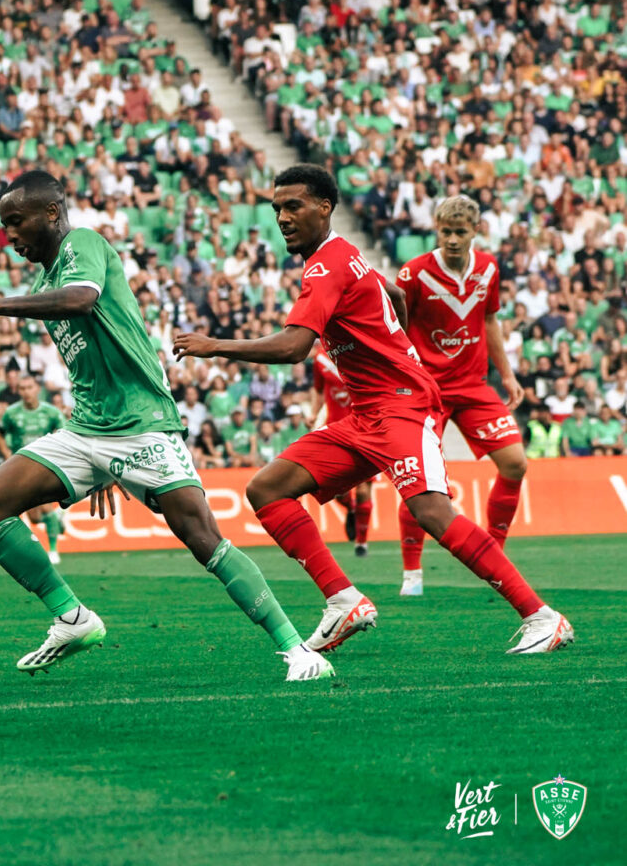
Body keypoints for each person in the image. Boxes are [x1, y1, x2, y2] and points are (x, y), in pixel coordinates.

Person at [0, 170, 333, 681]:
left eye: (16, 222)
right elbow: (87, 365)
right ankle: (72, 617)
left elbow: (81, 299)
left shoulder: (83, 245)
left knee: (201, 535)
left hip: (144, 424)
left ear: (52, 214)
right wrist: (98, 465)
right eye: (4, 225)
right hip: (87, 429)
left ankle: (298, 650)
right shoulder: (42, 284)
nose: (9, 234)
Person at [172, 164, 573, 656]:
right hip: (366, 415)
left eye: (293, 205)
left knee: (433, 512)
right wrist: (398, 341)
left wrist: (214, 345)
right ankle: (343, 600)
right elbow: (397, 294)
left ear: (324, 207)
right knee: (268, 489)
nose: (282, 217)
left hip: (403, 406)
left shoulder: (325, 265)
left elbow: (296, 347)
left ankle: (542, 617)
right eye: (276, 207)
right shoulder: (342, 253)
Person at [392, 195, 526, 597]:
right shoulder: (412, 274)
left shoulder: (488, 268)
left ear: (475, 231)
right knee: (419, 481)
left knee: (515, 465)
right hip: (427, 390)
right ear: (436, 229)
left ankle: (494, 560)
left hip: (473, 386)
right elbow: (396, 330)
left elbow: (489, 321)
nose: (451, 239)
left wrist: (507, 374)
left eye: (460, 232)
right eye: (445, 231)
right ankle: (412, 574)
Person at [0, 374, 67, 563]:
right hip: (20, 466)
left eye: (29, 387)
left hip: (44, 465)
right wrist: (6, 456)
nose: (26, 392)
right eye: (22, 388)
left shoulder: (51, 413)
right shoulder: (11, 413)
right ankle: (56, 518)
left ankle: (53, 551)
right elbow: (0, 434)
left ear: (37, 389)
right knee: (35, 518)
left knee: (44, 505)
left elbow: (63, 434)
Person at [311, 342, 372, 555]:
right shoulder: (320, 359)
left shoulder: (361, 351)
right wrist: (313, 412)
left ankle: (361, 544)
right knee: (335, 488)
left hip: (364, 427)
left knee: (364, 488)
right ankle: (351, 508)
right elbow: (318, 390)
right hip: (336, 427)